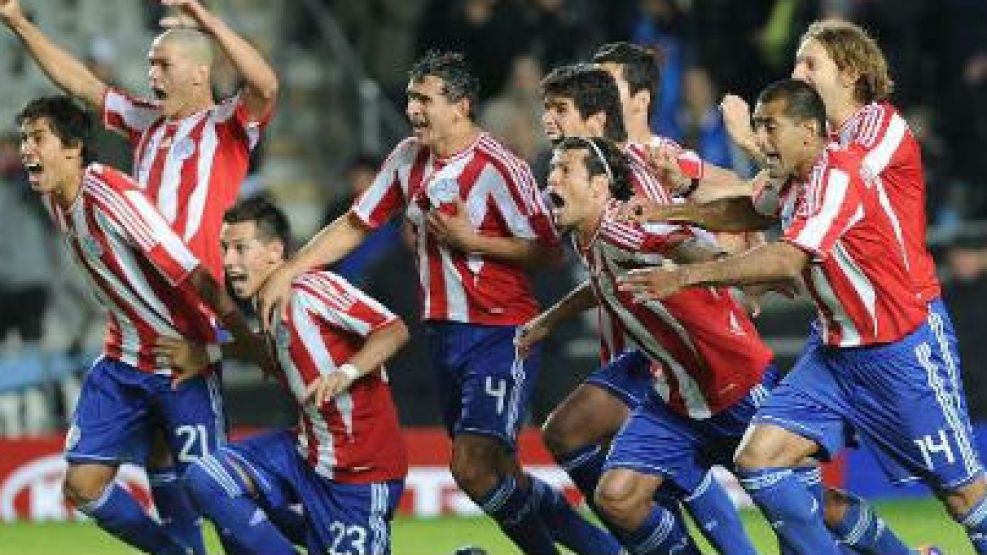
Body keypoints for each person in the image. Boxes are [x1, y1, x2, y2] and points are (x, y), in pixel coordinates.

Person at [257, 50, 616, 555]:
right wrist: (291, 270)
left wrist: (476, 242)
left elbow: (551, 250)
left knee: (471, 467)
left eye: (424, 99)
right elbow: (356, 224)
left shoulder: (499, 166)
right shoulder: (407, 158)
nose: (413, 110)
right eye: (410, 98)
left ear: (460, 106)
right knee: (500, 473)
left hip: (500, 334)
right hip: (444, 335)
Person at [619, 78, 987, 555]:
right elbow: (748, 212)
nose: (761, 139)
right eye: (756, 127)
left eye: (770, 127)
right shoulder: (793, 178)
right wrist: (671, 211)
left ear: (810, 130)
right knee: (757, 460)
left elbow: (788, 259)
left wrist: (685, 277)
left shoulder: (838, 174)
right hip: (834, 355)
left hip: (896, 353)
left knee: (964, 497)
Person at [0, 1, 279, 551]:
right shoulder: (143, 121)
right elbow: (77, 80)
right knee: (157, 460)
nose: (152, 75)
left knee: (208, 486)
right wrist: (17, 21)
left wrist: (205, 20)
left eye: (164, 65)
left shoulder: (226, 126)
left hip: (189, 314)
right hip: (135, 317)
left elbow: (265, 84)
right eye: (150, 65)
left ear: (201, 71)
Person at [534, 62, 752, 554]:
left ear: (596, 121)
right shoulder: (576, 186)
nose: (548, 121)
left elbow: (719, 205)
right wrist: (549, 320)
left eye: (559, 111)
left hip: (675, 356)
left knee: (765, 476)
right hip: (637, 352)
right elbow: (611, 272)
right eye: (547, 109)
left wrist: (739, 269)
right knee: (630, 476)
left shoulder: (636, 171)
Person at [156, 197, 408, 555]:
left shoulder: (311, 288)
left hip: (361, 474)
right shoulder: (268, 304)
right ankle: (320, 534)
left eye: (240, 249)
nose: (228, 262)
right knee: (206, 478)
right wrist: (210, 354)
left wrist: (347, 372)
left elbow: (393, 329)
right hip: (304, 455)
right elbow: (276, 353)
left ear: (275, 251)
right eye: (225, 249)